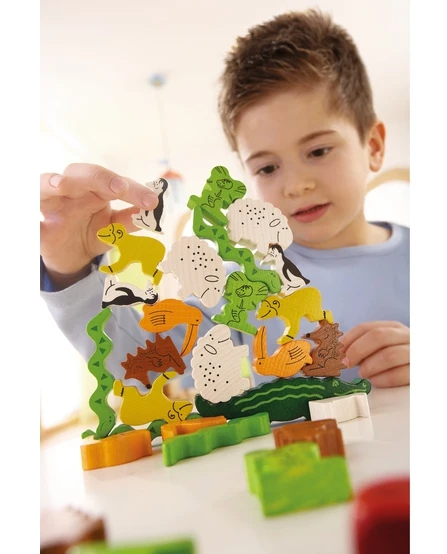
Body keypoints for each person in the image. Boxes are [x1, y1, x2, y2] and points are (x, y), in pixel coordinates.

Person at [40, 8, 409, 395]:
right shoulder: (241, 285)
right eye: (267, 168)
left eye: (318, 151)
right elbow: (141, 364)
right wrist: (71, 273)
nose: (296, 185)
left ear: (373, 146)